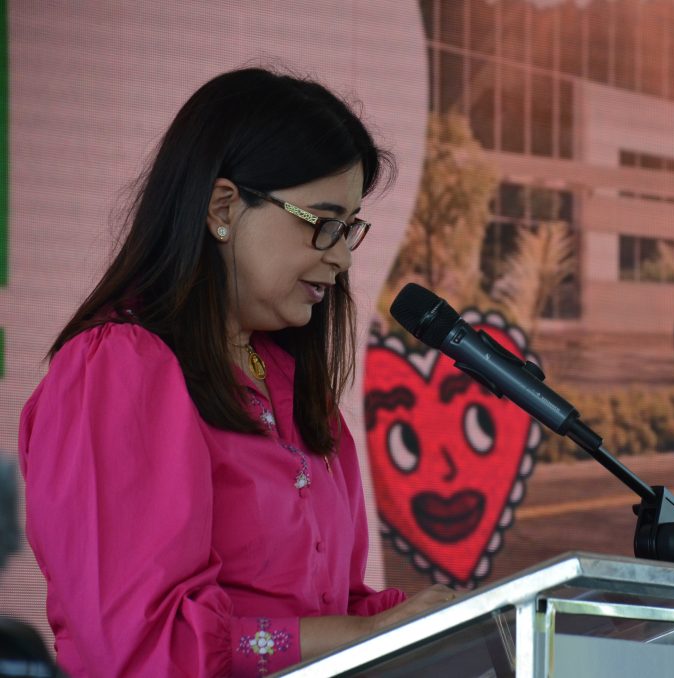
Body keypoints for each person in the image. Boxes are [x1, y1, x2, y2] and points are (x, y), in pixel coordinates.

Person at [18, 68, 454, 677]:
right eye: (322, 223)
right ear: (223, 207)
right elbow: (136, 648)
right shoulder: (118, 370)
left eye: (349, 228)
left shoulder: (285, 376)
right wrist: (363, 631)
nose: (341, 254)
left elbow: (333, 606)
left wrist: (447, 619)